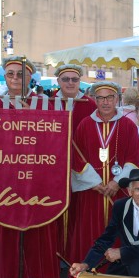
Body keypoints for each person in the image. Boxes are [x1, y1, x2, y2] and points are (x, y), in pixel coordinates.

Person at [0, 57, 60, 278]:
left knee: (40, 221)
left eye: (21, 74)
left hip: (38, 169)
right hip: (4, 171)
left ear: (30, 78)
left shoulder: (44, 103)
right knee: (5, 221)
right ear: (4, 77)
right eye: (10, 74)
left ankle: (40, 273)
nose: (15, 78)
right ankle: (6, 275)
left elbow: (54, 138)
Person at [69, 81, 139, 266]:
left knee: (117, 232)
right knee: (90, 232)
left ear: (117, 99)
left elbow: (134, 158)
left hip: (118, 192)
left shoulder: (128, 126)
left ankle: (116, 274)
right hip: (91, 192)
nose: (105, 102)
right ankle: (87, 274)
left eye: (109, 97)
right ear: (94, 100)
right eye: (100, 98)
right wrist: (94, 183)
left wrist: (117, 182)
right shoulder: (85, 125)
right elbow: (76, 158)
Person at [69, 169, 139, 278]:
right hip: (124, 264)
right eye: (137, 189)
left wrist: (121, 252)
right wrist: (86, 264)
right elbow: (107, 238)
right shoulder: (120, 206)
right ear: (130, 191)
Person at [51, 64, 96, 261]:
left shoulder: (90, 105)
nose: (70, 83)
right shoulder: (48, 103)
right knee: (54, 210)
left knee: (78, 211)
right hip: (53, 165)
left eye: (74, 79)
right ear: (59, 81)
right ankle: (56, 253)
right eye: (66, 79)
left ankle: (74, 254)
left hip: (82, 166)